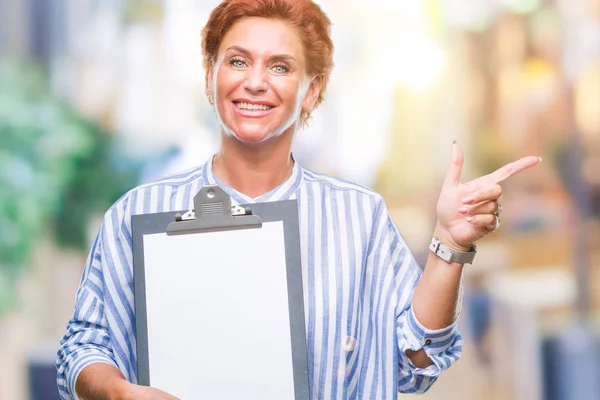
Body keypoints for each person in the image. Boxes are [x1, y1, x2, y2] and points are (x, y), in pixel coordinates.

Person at [55, 0, 541, 399]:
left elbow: (415, 363)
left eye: (281, 66)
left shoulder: (359, 217)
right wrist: (117, 392)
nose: (255, 81)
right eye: (238, 60)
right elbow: (83, 348)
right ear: (211, 74)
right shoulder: (138, 214)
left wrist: (448, 244)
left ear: (312, 91)